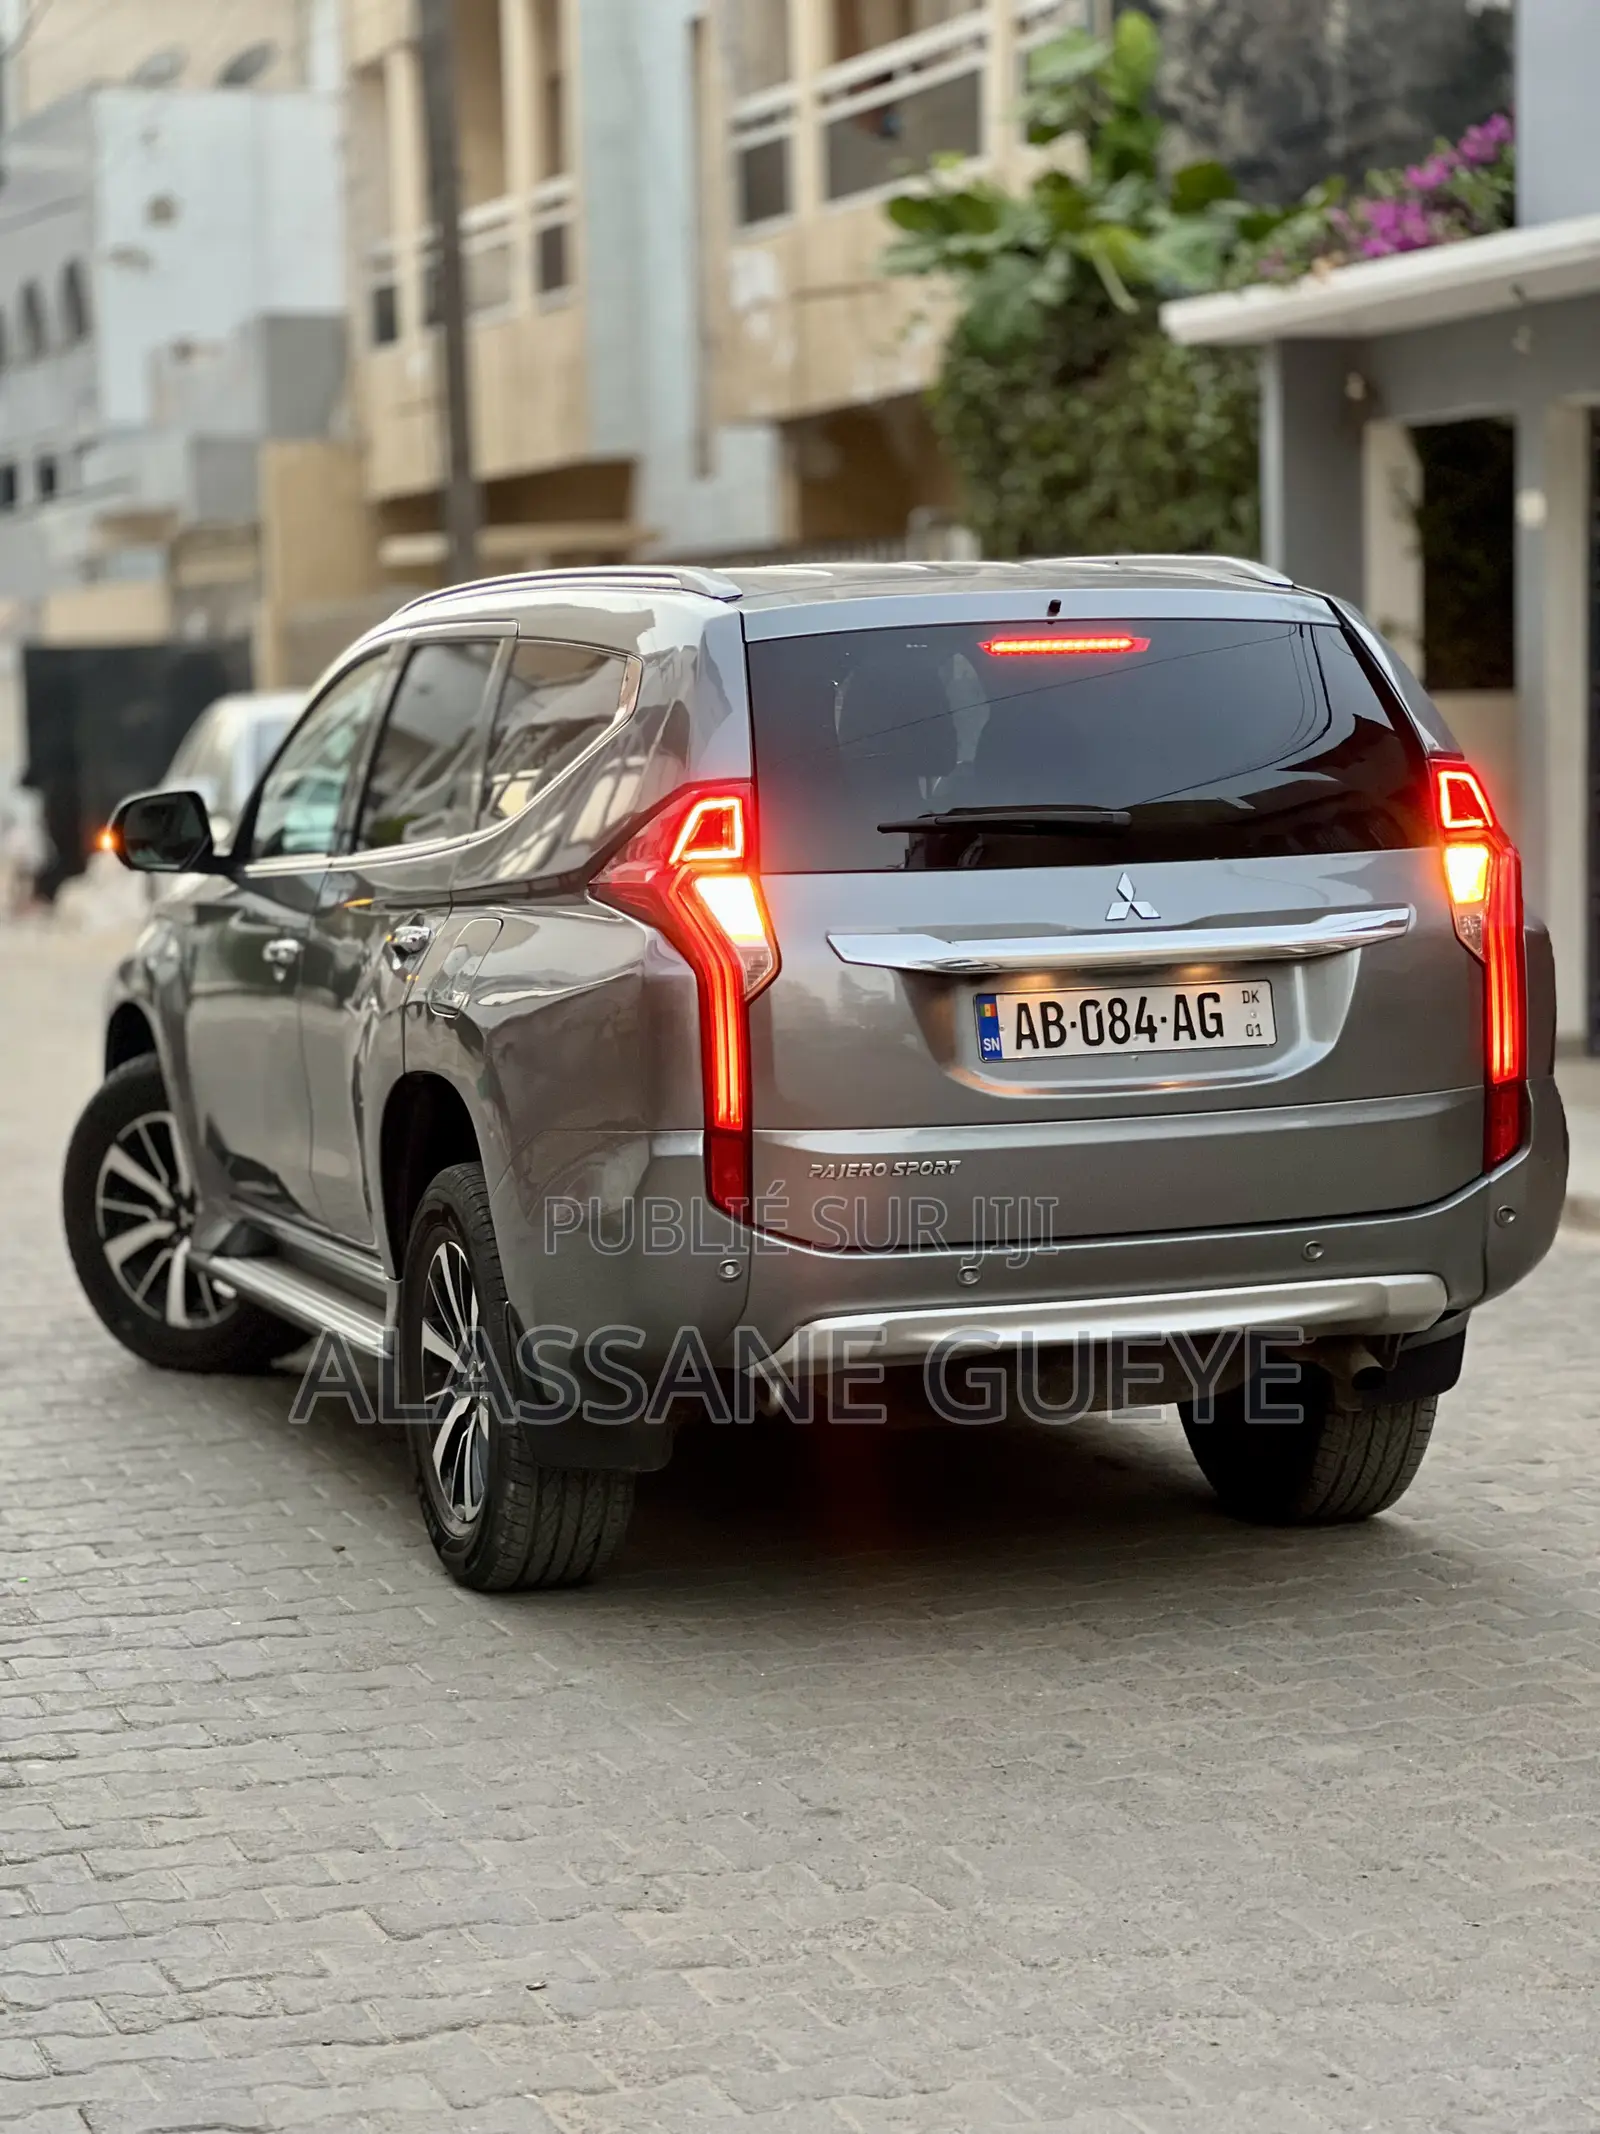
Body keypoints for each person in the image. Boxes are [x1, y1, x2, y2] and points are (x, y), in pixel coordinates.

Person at [0, 779, 52, 918]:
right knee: (17, 879)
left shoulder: (30, 801)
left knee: (25, 879)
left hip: (27, 846)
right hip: (19, 847)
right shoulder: (22, 801)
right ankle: (17, 904)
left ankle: (23, 904)